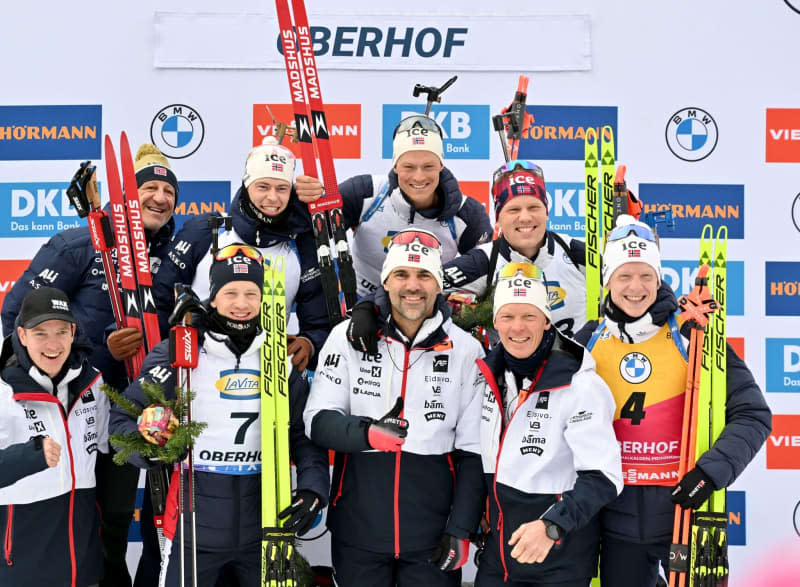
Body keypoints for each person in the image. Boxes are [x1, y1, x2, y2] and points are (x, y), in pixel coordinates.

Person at [1, 143, 179, 587]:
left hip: (134, 418)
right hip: (74, 411)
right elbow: (15, 317)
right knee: (73, 522)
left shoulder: (177, 256)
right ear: (127, 195)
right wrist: (97, 349)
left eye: (168, 191)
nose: (159, 197)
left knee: (116, 527)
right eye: (149, 187)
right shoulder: (78, 244)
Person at [110, 245, 329, 586]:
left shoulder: (279, 358)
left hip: (265, 524)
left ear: (264, 300)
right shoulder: (182, 353)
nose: (241, 304)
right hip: (193, 528)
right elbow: (122, 420)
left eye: (250, 293)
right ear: (212, 297)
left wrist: (314, 490)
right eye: (230, 293)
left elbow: (302, 435)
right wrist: (153, 449)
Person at [574, 216, 772, 587]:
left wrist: (709, 474)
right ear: (607, 282)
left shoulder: (692, 332)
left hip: (686, 517)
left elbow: (753, 414)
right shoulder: (589, 340)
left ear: (660, 277)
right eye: (624, 276)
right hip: (614, 528)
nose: (636, 287)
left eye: (646, 275)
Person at [303, 229, 485, 587]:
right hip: (358, 531)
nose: (412, 285)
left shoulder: (466, 350)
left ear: (438, 284)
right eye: (401, 274)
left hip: (432, 535)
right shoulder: (347, 337)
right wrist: (367, 433)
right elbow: (317, 421)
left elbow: (473, 452)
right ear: (385, 281)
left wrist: (461, 528)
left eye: (424, 275)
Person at [474, 264, 623, 586]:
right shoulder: (488, 378)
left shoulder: (581, 385)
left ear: (546, 321)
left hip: (557, 561)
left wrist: (552, 526)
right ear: (495, 322)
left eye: (529, 316)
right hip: (498, 561)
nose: (517, 328)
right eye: (507, 317)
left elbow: (604, 477)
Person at [153, 137, 330, 373]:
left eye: (282, 188)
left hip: (264, 376)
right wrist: (161, 360)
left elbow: (318, 323)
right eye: (263, 187)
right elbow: (160, 304)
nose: (272, 198)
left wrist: (310, 343)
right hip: (196, 370)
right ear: (246, 186)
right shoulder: (209, 229)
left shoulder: (302, 244)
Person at [295, 114, 492, 298]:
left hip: (424, 304)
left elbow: (488, 269)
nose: (419, 177)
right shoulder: (366, 192)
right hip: (362, 299)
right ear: (395, 166)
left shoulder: (467, 213)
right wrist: (301, 198)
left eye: (428, 166)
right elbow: (311, 227)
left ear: (441, 165)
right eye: (409, 167)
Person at [0, 287, 109, 587]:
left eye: (61, 331)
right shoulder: (3, 391)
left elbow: (109, 450)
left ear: (73, 333)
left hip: (83, 567)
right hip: (22, 570)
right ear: (21, 335)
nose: (53, 343)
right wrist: (30, 456)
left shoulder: (94, 384)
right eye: (40, 333)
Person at [442, 161, 589, 338]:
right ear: (498, 218)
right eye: (513, 209)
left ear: (546, 212)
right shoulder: (483, 262)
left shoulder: (576, 254)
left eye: (534, 207)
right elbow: (420, 291)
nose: (525, 217)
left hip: (581, 364)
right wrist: (473, 313)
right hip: (511, 364)